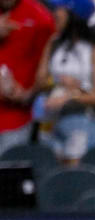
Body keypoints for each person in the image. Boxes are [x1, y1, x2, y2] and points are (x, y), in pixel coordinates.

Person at [38, 0, 95, 161]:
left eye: (60, 9)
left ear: (73, 14)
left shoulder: (94, 49)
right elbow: (40, 81)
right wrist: (57, 83)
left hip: (81, 121)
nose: (55, 13)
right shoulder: (55, 43)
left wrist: (71, 95)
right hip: (51, 120)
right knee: (49, 173)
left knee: (76, 176)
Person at [0, 0, 55, 156]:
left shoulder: (40, 17)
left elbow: (52, 66)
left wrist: (29, 94)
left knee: (9, 174)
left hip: (16, 118)